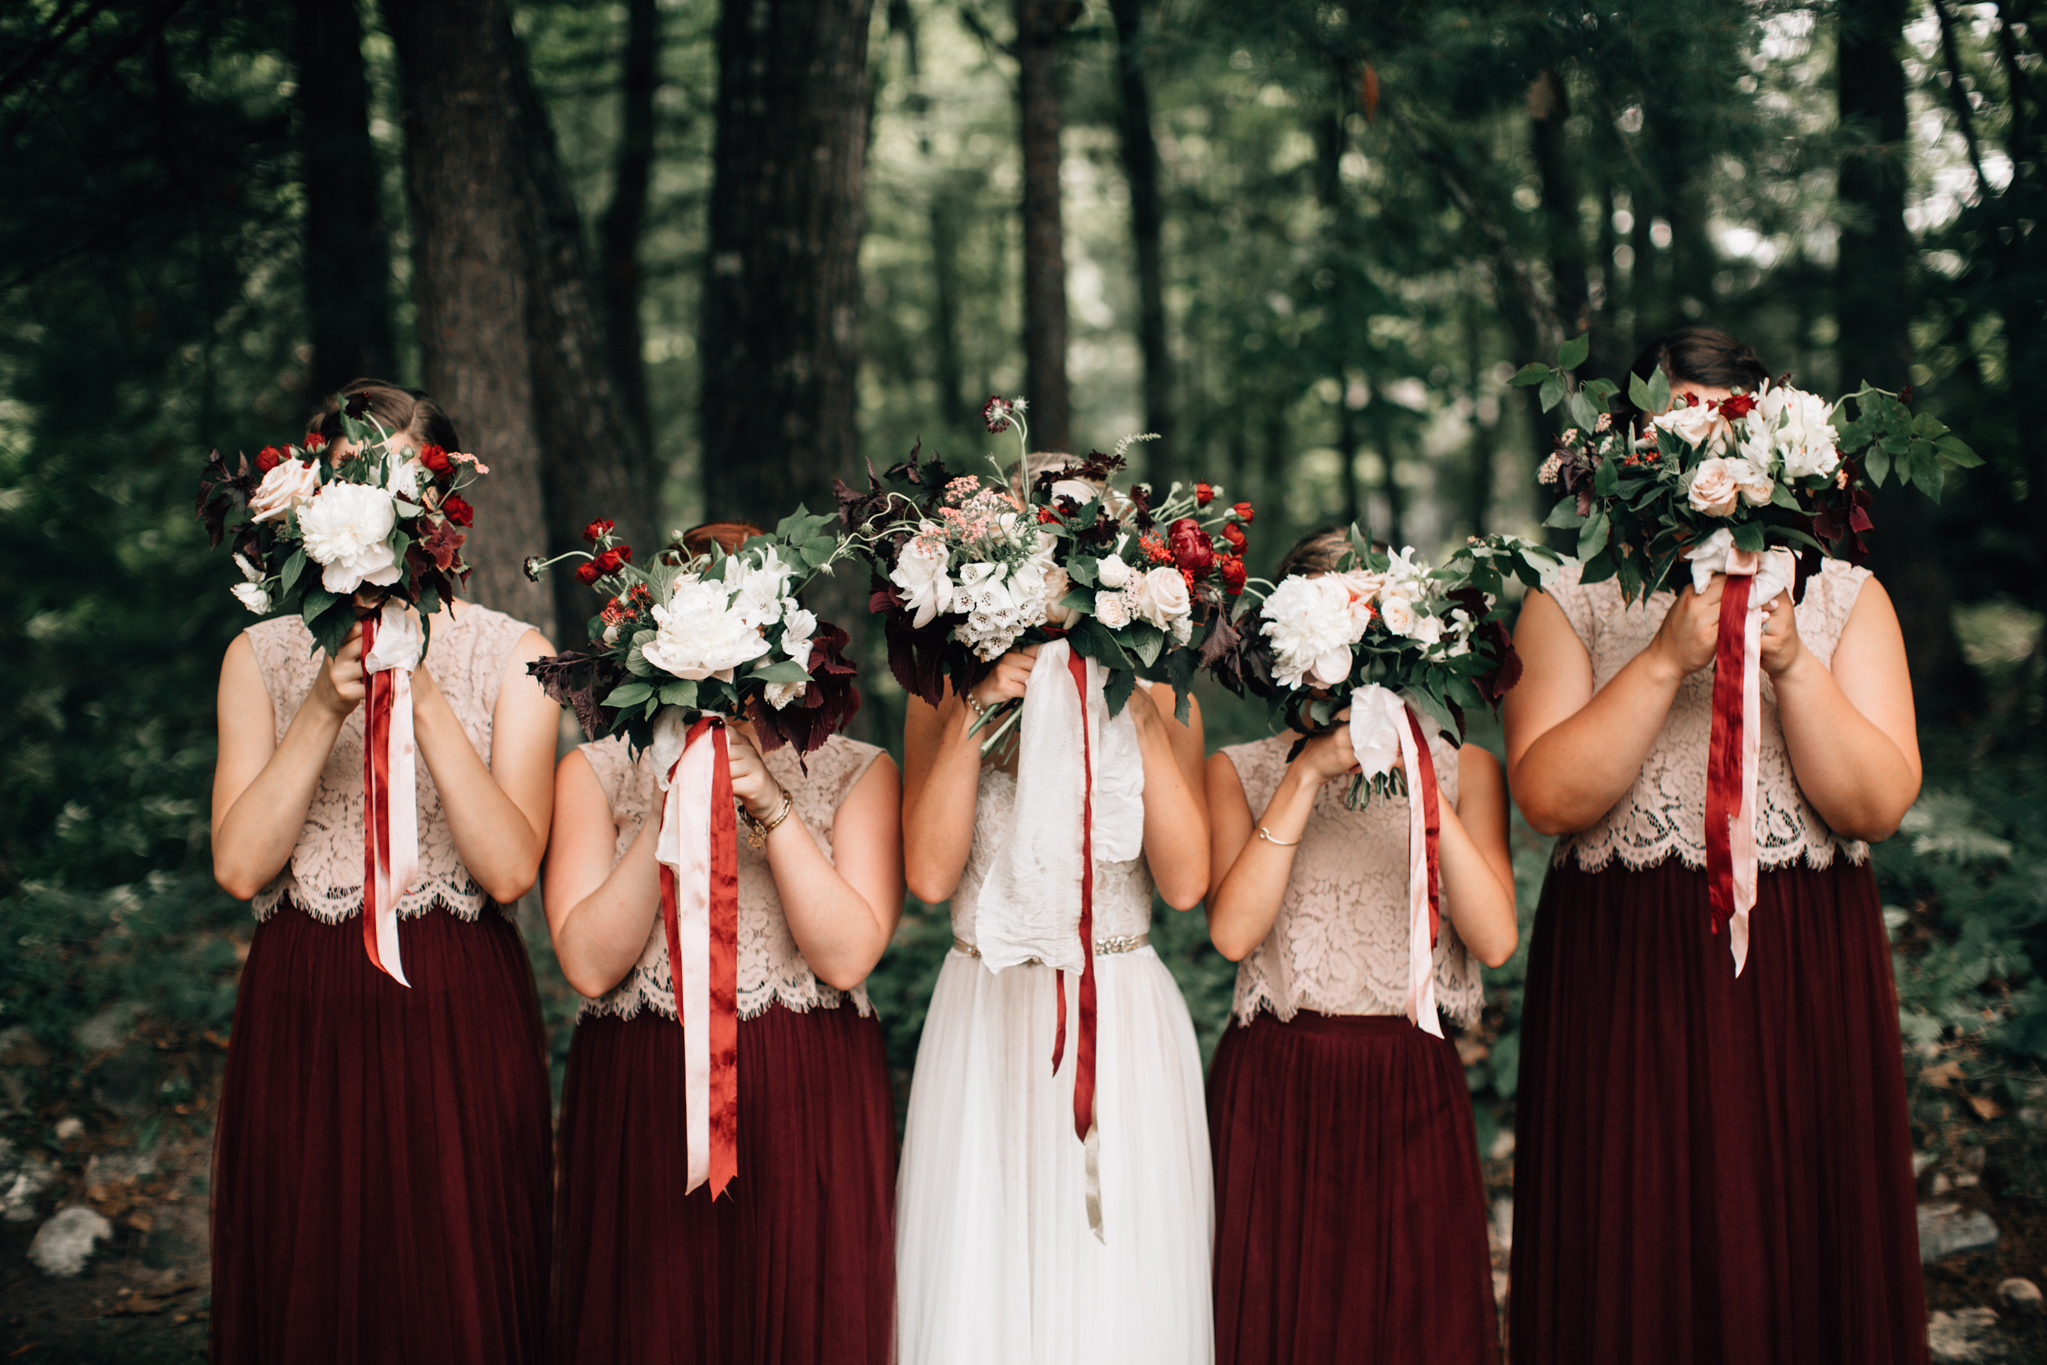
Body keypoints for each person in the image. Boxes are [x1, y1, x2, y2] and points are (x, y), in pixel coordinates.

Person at [1503, 327, 1928, 1364]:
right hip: (1626, 946)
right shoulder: (1568, 598)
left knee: (1796, 1202)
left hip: (1800, 942)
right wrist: (1660, 661)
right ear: (1628, 444)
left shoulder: (1845, 597)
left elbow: (1875, 806)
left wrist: (1790, 661)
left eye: (1717, 413)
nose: (1694, 439)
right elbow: (1549, 800)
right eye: (1670, 418)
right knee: (1634, 1210)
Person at [208, 380, 559, 1364]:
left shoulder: (513, 656)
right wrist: (322, 705)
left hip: (456, 999)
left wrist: (429, 697)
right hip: (304, 999)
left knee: (457, 1281)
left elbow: (508, 872)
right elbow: (239, 868)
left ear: (441, 510)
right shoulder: (261, 656)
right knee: (311, 1275)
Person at [544, 521, 903, 1365]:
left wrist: (771, 805)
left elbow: (847, 956)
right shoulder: (592, 772)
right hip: (645, 1088)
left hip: (806, 1087)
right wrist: (673, 800)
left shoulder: (858, 771)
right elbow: (590, 964)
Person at [894, 457, 1217, 1365]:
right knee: (986, 1275)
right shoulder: (943, 687)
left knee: (1115, 1282)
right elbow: (926, 875)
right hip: (986, 1009)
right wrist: (978, 709)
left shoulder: (1158, 687)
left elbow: (1187, 882)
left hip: (1117, 1009)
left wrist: (1131, 702)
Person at [1203, 527, 1517, 1365]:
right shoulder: (1240, 769)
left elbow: (1492, 938)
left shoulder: (1467, 770)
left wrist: (1419, 776)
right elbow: (1232, 931)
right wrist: (1304, 775)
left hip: (1410, 1081)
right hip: (1276, 1084)